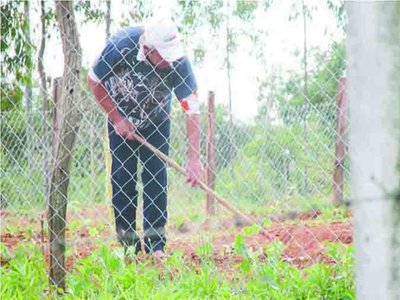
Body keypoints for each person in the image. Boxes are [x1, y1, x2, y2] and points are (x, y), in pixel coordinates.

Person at [87, 16, 202, 259]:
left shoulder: (178, 61)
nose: (170, 61)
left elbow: (191, 107)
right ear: (147, 49)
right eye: (163, 55)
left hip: (157, 121)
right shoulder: (121, 46)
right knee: (123, 180)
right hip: (121, 121)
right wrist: (117, 118)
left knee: (156, 181)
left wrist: (194, 159)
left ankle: (155, 246)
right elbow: (94, 80)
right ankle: (128, 247)